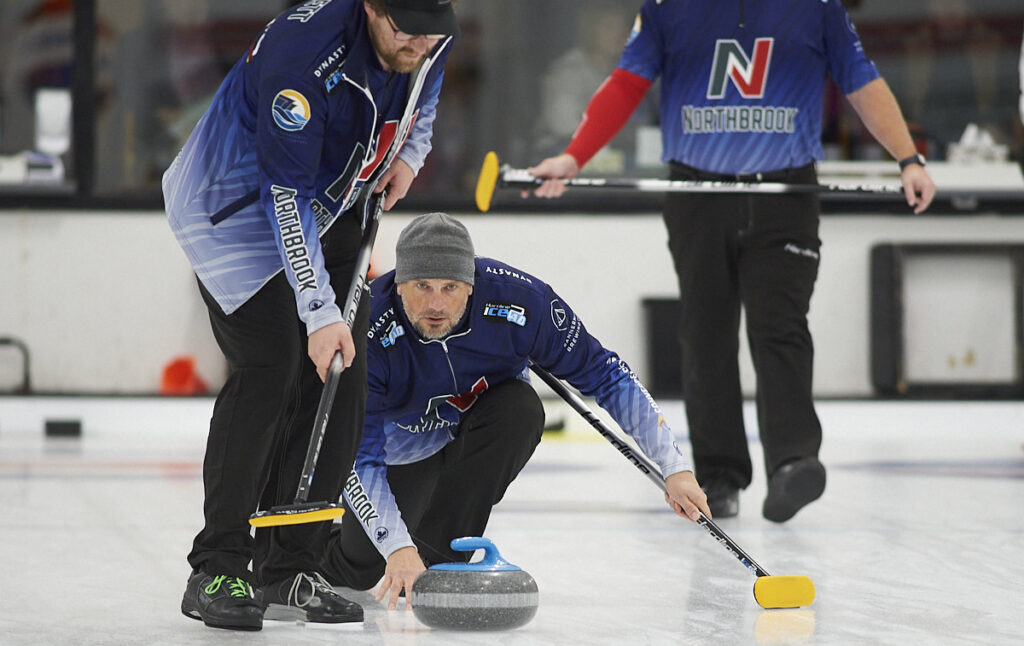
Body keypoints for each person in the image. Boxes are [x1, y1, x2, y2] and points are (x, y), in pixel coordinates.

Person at [527, 0, 936, 523]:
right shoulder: (667, 9)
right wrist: (574, 156)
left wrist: (908, 158)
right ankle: (718, 476)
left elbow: (861, 81)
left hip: (784, 189)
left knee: (780, 324)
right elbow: (628, 81)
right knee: (705, 329)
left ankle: (793, 462)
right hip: (698, 189)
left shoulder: (817, 9)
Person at [162, 0, 457, 631]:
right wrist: (319, 312)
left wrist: (412, 153)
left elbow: (423, 92)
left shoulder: (425, 33)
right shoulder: (304, 57)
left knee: (343, 373)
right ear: (372, 8)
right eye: (406, 29)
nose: (421, 43)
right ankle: (218, 564)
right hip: (234, 216)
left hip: (335, 196)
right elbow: (284, 200)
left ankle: (290, 564)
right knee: (272, 366)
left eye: (433, 29)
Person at [319, 213, 711, 609]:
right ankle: (291, 556)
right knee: (364, 567)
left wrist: (673, 467)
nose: (436, 304)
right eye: (422, 286)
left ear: (470, 286)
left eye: (450, 287)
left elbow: (609, 376)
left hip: (479, 427)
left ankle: (441, 562)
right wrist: (397, 547)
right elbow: (359, 456)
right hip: (400, 450)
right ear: (399, 283)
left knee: (522, 409)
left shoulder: (522, 302)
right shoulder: (367, 325)